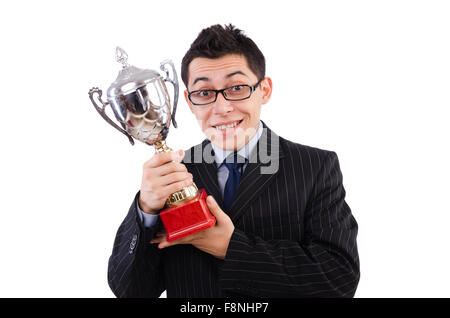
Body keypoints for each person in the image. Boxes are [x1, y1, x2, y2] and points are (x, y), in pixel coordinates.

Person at [107, 24, 360, 297]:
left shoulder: (315, 167)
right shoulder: (172, 175)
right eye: (204, 93)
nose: (222, 108)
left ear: (264, 90)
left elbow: (338, 278)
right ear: (189, 103)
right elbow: (130, 291)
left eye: (237, 88)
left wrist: (231, 247)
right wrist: (146, 209)